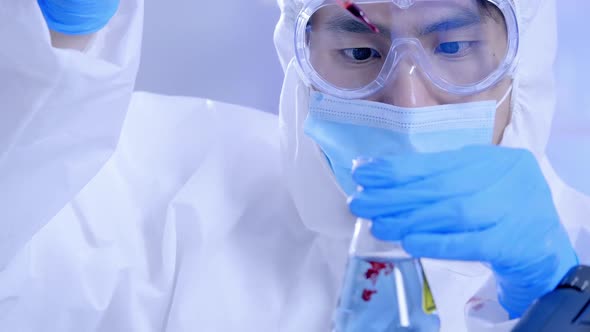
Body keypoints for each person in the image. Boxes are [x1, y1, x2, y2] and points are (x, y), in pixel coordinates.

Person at [1, 0, 588, 331]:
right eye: (359, 52)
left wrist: (565, 298)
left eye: (454, 49)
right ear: (301, 64)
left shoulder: (574, 249)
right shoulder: (174, 188)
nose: (408, 102)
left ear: (522, 61)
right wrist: (51, 50)